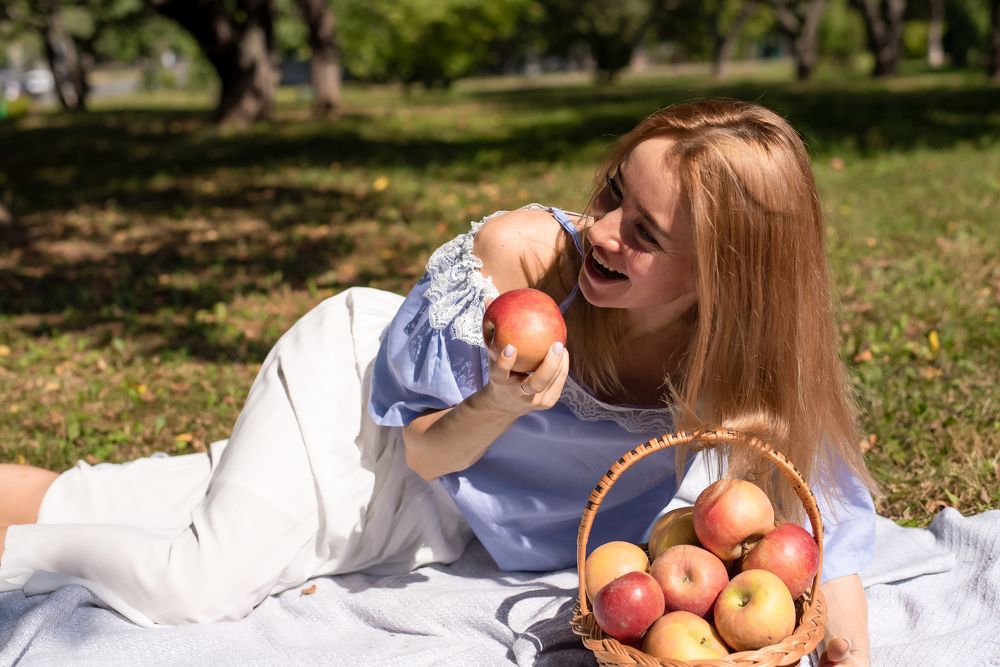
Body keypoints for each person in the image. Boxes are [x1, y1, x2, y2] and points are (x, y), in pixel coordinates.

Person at [0, 99, 874, 665]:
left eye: (645, 233)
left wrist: (849, 647)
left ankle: (40, 506)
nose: (604, 229)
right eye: (612, 193)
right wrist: (502, 399)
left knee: (132, 502)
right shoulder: (527, 258)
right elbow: (422, 449)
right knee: (198, 581)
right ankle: (15, 563)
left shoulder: (737, 356)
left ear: (723, 276)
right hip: (370, 415)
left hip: (448, 515)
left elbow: (824, 512)